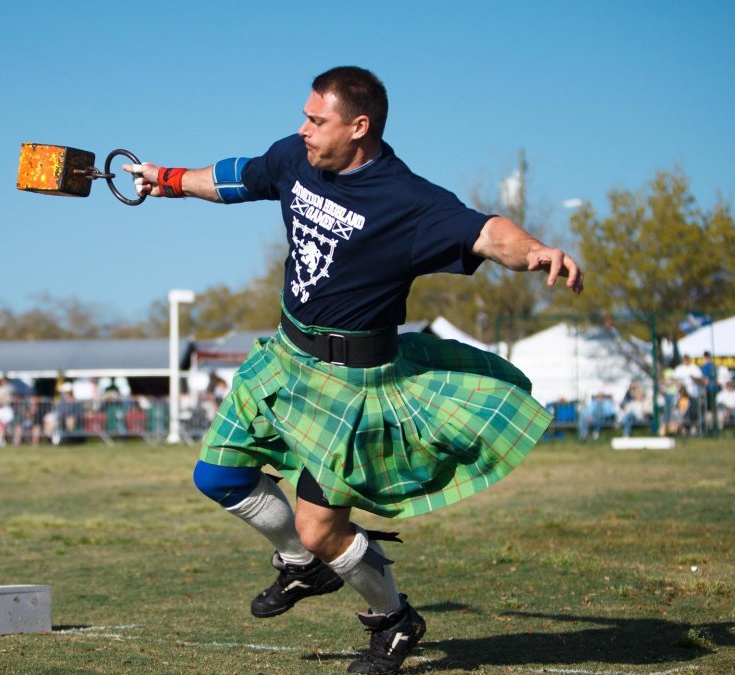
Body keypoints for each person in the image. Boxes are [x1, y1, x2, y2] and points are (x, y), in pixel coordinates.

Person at [123, 66, 583, 673]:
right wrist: (170, 180)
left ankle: (394, 621)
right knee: (217, 477)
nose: (303, 129)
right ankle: (301, 566)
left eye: (317, 120)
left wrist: (537, 252)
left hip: (352, 387)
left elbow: (486, 232)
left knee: (321, 528)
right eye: (305, 117)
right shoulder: (296, 159)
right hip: (285, 360)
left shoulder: (409, 203)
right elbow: (237, 177)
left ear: (358, 127)